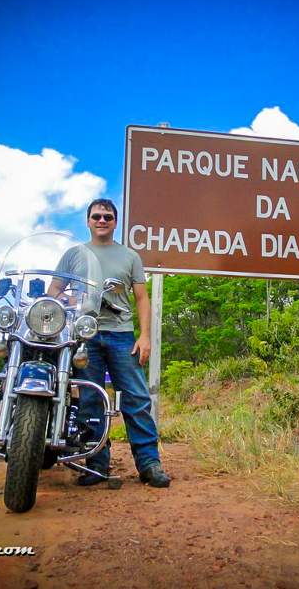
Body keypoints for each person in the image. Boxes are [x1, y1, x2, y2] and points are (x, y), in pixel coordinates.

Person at [55, 198, 170, 488]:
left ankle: (149, 464)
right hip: (85, 335)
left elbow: (141, 298)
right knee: (91, 400)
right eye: (97, 216)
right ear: (88, 220)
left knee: (136, 398)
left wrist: (145, 337)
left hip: (121, 335)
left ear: (116, 222)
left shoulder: (129, 256)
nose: (102, 220)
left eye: (108, 216)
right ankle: (96, 465)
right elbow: (55, 290)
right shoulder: (74, 255)